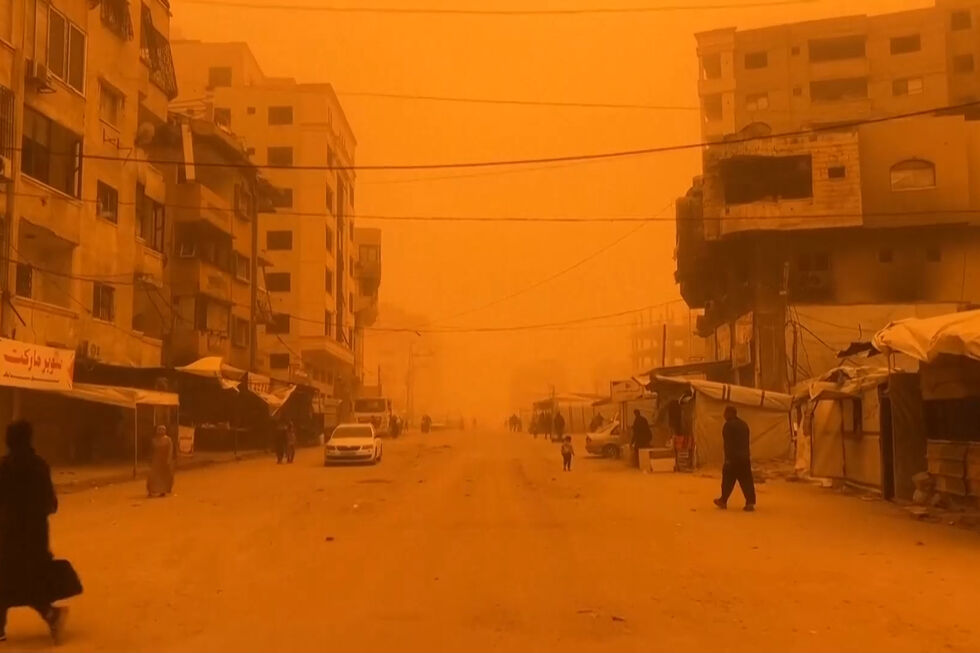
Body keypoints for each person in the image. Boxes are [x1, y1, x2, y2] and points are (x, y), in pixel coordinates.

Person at [0, 421, 69, 643]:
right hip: (34, 534)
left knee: (10, 579)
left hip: (8, 533)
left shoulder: (4, 466)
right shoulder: (40, 465)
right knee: (24, 578)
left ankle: (51, 615)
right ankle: (51, 615)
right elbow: (51, 503)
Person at [714, 406, 756, 512]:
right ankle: (750, 502)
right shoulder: (744, 424)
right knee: (747, 480)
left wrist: (728, 458)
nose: (724, 415)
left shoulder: (728, 426)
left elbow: (728, 444)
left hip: (733, 458)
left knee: (727, 480)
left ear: (730, 413)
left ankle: (723, 501)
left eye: (725, 413)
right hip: (745, 457)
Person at [147, 424, 174, 497]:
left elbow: (170, 451)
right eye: (159, 429)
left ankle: (163, 491)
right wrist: (150, 460)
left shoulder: (168, 440)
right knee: (152, 476)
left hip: (164, 461)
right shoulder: (154, 440)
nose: (161, 431)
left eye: (163, 429)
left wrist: (168, 460)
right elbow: (151, 451)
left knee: (164, 477)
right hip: (155, 460)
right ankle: (151, 491)